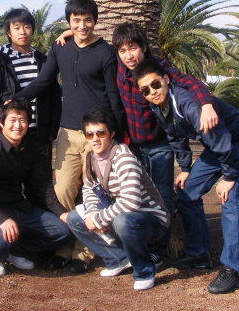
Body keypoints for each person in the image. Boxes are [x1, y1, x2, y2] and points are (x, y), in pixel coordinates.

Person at [132, 59, 239, 295]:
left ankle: (232, 269)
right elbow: (175, 136)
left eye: (155, 84)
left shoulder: (187, 103)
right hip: (219, 147)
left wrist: (229, 176)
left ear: (166, 79)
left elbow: (220, 138)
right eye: (145, 90)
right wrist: (185, 168)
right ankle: (198, 254)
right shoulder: (159, 107)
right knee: (186, 192)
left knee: (231, 197)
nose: (152, 92)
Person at [15, 0, 126, 273]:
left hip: (96, 136)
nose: (82, 25)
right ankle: (62, 248)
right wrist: (17, 100)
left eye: (88, 20)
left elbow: (113, 96)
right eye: (76, 20)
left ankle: (83, 252)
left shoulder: (105, 52)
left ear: (95, 21)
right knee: (63, 191)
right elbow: (44, 80)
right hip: (67, 132)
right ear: (69, 22)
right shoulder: (60, 47)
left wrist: (119, 135)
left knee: (92, 193)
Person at [111, 23, 218, 266]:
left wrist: (206, 104)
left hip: (160, 146)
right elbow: (90, 43)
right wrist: (70, 32)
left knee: (162, 199)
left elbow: (190, 83)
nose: (129, 55)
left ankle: (159, 251)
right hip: (133, 148)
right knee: (135, 198)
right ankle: (139, 248)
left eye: (133, 48)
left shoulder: (158, 68)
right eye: (123, 50)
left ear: (144, 47)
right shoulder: (117, 67)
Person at [66, 108, 170, 291]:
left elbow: (131, 202)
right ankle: (119, 259)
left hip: (150, 219)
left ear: (112, 133)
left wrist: (99, 219)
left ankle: (144, 272)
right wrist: (92, 214)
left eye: (101, 133)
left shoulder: (123, 158)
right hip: (120, 214)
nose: (95, 139)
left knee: (123, 222)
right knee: (75, 218)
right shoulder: (92, 158)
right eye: (90, 134)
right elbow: (89, 188)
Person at [0, 98, 72, 276]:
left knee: (63, 231)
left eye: (22, 120)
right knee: (0, 235)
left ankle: (14, 250)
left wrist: (62, 213)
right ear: (1, 123)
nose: (18, 125)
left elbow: (42, 187)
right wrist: (1, 218)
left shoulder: (30, 149)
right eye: (12, 120)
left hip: (17, 208)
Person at [0, 8, 61, 165]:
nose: (22, 32)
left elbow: (54, 96)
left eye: (27, 27)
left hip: (40, 136)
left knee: (40, 179)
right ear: (9, 32)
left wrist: (52, 130)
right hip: (9, 135)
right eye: (16, 28)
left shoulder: (43, 61)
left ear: (33, 29)